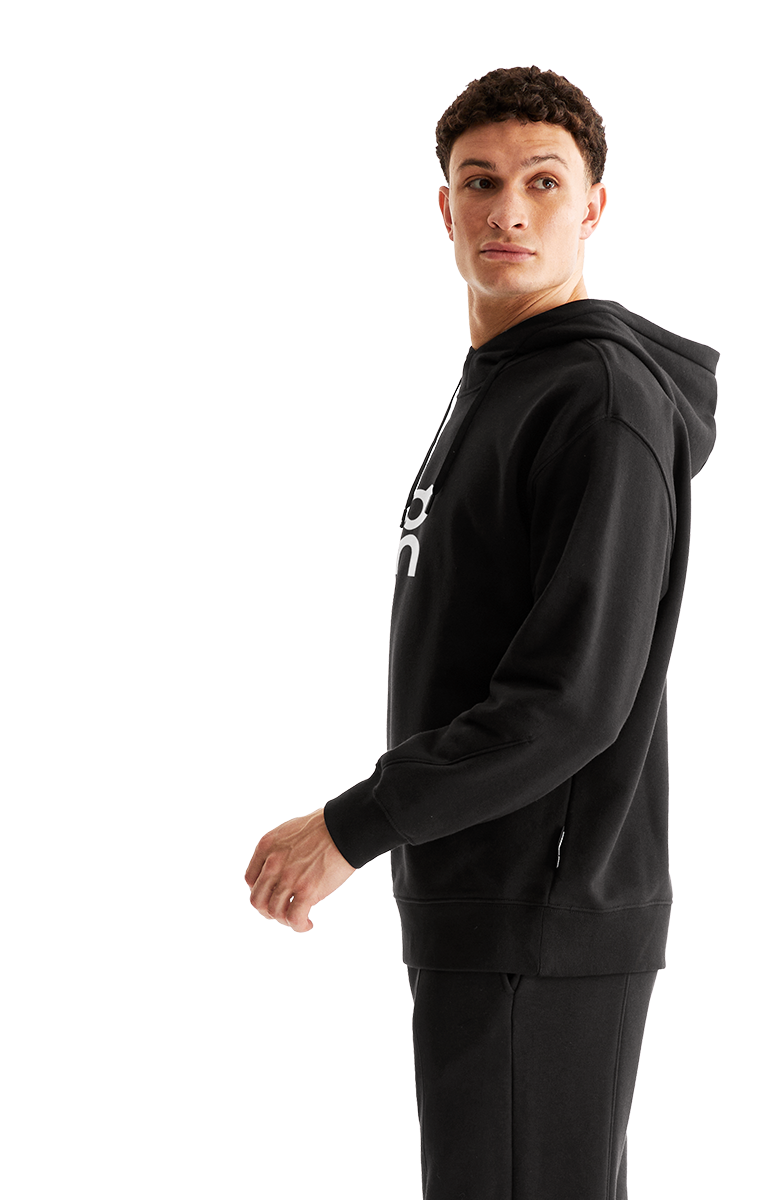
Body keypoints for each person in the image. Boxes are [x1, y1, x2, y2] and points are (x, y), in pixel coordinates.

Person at [246, 64, 719, 1200]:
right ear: (444, 204)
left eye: (543, 182)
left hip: (541, 913)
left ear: (593, 206)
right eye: (481, 181)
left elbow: (570, 701)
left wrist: (353, 825)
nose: (509, 210)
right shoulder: (503, 383)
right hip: (488, 902)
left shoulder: (598, 400)